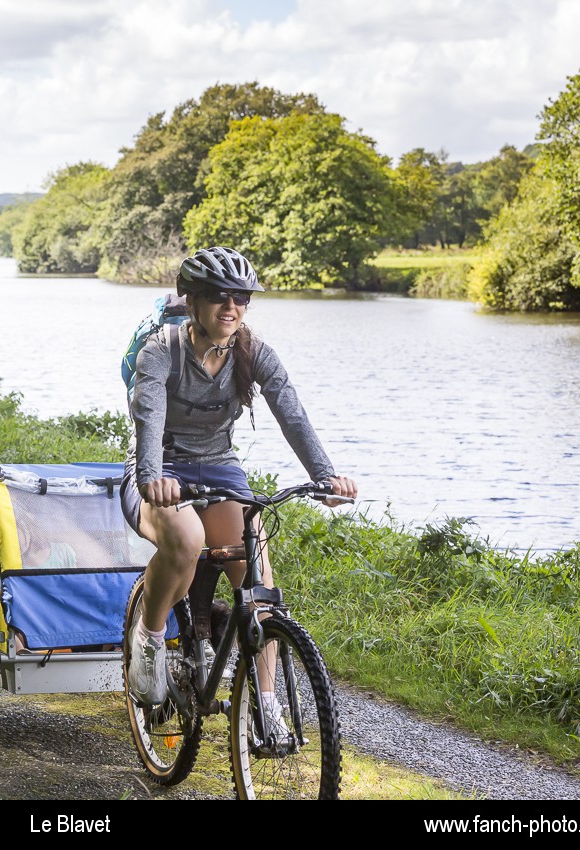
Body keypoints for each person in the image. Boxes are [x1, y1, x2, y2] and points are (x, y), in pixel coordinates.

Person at [121, 246, 357, 742]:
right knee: (185, 540)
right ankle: (149, 638)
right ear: (193, 301)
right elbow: (149, 419)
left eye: (242, 298)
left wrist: (326, 476)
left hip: (221, 470)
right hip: (159, 469)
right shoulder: (161, 350)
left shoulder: (253, 352)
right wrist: (151, 477)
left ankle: (265, 704)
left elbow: (292, 414)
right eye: (218, 296)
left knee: (260, 587)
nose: (231, 307)